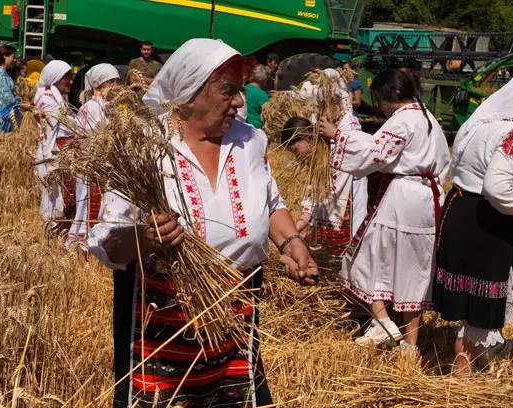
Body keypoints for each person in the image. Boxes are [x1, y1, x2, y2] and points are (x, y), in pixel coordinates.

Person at [87, 38, 319, 408]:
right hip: (162, 332)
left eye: (240, 90)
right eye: (228, 91)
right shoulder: (145, 146)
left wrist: (291, 242)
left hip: (236, 324)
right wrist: (148, 238)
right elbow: (106, 240)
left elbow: (271, 202)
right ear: (188, 93)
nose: (240, 101)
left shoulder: (251, 141)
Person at [318, 68, 450, 352]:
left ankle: (385, 324)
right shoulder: (429, 120)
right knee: (413, 271)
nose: (378, 106)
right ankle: (410, 347)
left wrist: (337, 135)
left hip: (401, 199)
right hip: (427, 199)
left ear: (388, 97)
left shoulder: (401, 121)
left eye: (378, 100)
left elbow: (374, 153)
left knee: (365, 258)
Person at [432, 72, 513, 375]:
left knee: (471, 300)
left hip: (460, 211)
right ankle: (463, 373)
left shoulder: (479, 124)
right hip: (486, 222)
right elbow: (498, 188)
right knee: (482, 299)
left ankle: (468, 360)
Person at [282, 115, 368, 267]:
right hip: (331, 234)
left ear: (307, 138)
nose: (296, 157)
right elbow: (311, 203)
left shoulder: (339, 153)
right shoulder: (314, 164)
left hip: (348, 216)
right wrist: (292, 234)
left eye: (296, 150)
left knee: (349, 260)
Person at [66, 64, 120, 251]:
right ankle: (83, 243)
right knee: (89, 204)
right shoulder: (89, 107)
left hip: (108, 166)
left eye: (117, 81)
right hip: (91, 165)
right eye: (111, 82)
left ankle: (100, 244)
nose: (116, 85)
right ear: (99, 84)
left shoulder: (112, 107)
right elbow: (84, 138)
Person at [34, 60, 77, 233]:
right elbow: (60, 130)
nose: (71, 81)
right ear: (55, 78)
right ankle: (52, 232)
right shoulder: (50, 101)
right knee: (53, 196)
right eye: (67, 78)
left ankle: (54, 230)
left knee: (56, 196)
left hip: (56, 152)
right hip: (52, 153)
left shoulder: (53, 97)